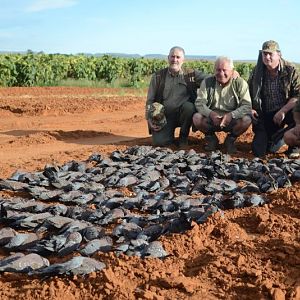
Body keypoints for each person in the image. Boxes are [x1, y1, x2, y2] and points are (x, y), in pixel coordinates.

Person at [145, 46, 208, 148]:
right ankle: (168, 136)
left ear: (183, 60)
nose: (175, 60)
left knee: (189, 107)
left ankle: (183, 137)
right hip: (164, 116)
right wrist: (149, 118)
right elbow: (150, 100)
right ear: (168, 58)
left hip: (183, 115)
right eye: (172, 57)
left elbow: (212, 79)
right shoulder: (158, 77)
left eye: (178, 57)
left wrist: (232, 74)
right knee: (160, 143)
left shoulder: (191, 75)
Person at [248, 40, 300, 158]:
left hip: (287, 111)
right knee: (259, 151)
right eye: (264, 53)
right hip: (266, 114)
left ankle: (295, 146)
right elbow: (248, 93)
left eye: (270, 54)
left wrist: (283, 111)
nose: (267, 57)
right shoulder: (257, 71)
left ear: (279, 54)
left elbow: (297, 95)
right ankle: (275, 138)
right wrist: (251, 108)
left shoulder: (290, 70)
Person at [193, 56, 252, 154]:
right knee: (197, 118)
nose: (221, 73)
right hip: (212, 119)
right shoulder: (207, 82)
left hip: (232, 119)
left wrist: (231, 115)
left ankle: (230, 140)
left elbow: (246, 105)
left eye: (224, 70)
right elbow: (199, 103)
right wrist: (211, 114)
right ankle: (212, 139)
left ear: (232, 71)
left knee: (246, 120)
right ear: (214, 70)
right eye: (218, 70)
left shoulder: (240, 83)